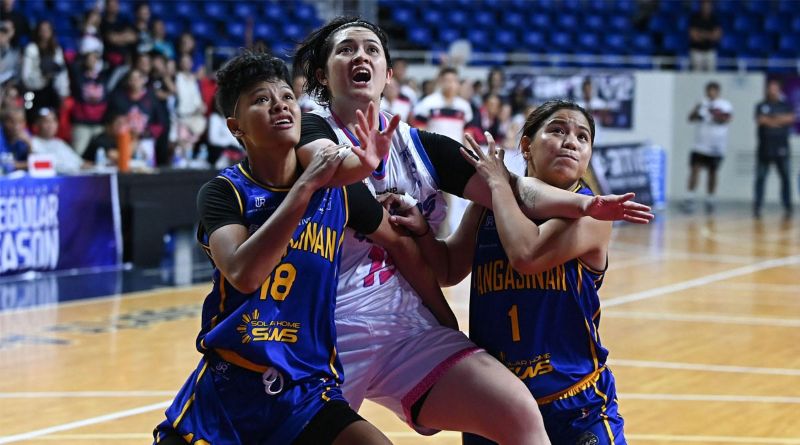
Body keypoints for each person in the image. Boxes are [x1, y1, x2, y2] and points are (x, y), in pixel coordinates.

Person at [293, 16, 651, 444]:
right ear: (322, 74)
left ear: (389, 74)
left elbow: (513, 188)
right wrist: (372, 166)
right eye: (346, 49)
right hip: (327, 324)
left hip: (404, 327)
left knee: (514, 411)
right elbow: (335, 171)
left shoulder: (419, 145)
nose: (360, 56)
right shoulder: (310, 129)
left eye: (372, 49)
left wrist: (585, 204)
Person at [153, 51, 452, 445]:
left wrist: (446, 325)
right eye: (261, 100)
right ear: (235, 127)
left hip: (307, 389)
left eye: (286, 97)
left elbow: (401, 244)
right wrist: (305, 187)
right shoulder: (225, 192)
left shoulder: (340, 191)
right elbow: (244, 273)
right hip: (232, 386)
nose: (279, 105)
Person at [386, 100, 627, 444]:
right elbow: (448, 269)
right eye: (558, 130)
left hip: (575, 403)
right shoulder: (487, 206)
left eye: (582, 137)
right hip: (497, 403)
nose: (571, 142)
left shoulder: (592, 214)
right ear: (526, 146)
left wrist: (499, 185)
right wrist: (422, 232)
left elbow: (526, 255)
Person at [682, 81, 732, 213]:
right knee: (695, 170)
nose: (711, 93)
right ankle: (690, 197)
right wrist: (697, 108)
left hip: (716, 146)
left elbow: (725, 119)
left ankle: (710, 198)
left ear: (718, 92)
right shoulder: (702, 104)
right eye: (709, 91)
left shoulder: (724, 105)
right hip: (700, 145)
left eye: (713, 91)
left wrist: (712, 111)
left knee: (712, 172)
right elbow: (690, 118)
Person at [754, 79, 795, 219]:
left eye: (775, 88)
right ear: (767, 90)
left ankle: (788, 206)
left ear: (779, 90)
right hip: (764, 148)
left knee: (785, 178)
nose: (772, 91)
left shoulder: (785, 105)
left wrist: (770, 120)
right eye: (770, 88)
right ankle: (758, 206)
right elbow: (761, 120)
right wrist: (778, 121)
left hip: (782, 147)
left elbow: (790, 118)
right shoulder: (761, 105)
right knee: (760, 178)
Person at [31, 108, 86, 174]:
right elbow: (49, 165)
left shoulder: (59, 143)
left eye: (53, 121)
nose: (50, 125)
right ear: (37, 125)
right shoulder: (32, 142)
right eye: (46, 121)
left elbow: (80, 163)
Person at [688, 0, 722, 71]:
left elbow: (716, 36)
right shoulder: (695, 18)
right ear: (701, 6)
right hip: (697, 51)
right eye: (705, 5)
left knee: (711, 74)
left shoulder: (715, 19)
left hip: (710, 51)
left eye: (708, 6)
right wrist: (710, 35)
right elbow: (694, 36)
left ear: (711, 7)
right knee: (696, 74)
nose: (706, 7)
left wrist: (702, 34)